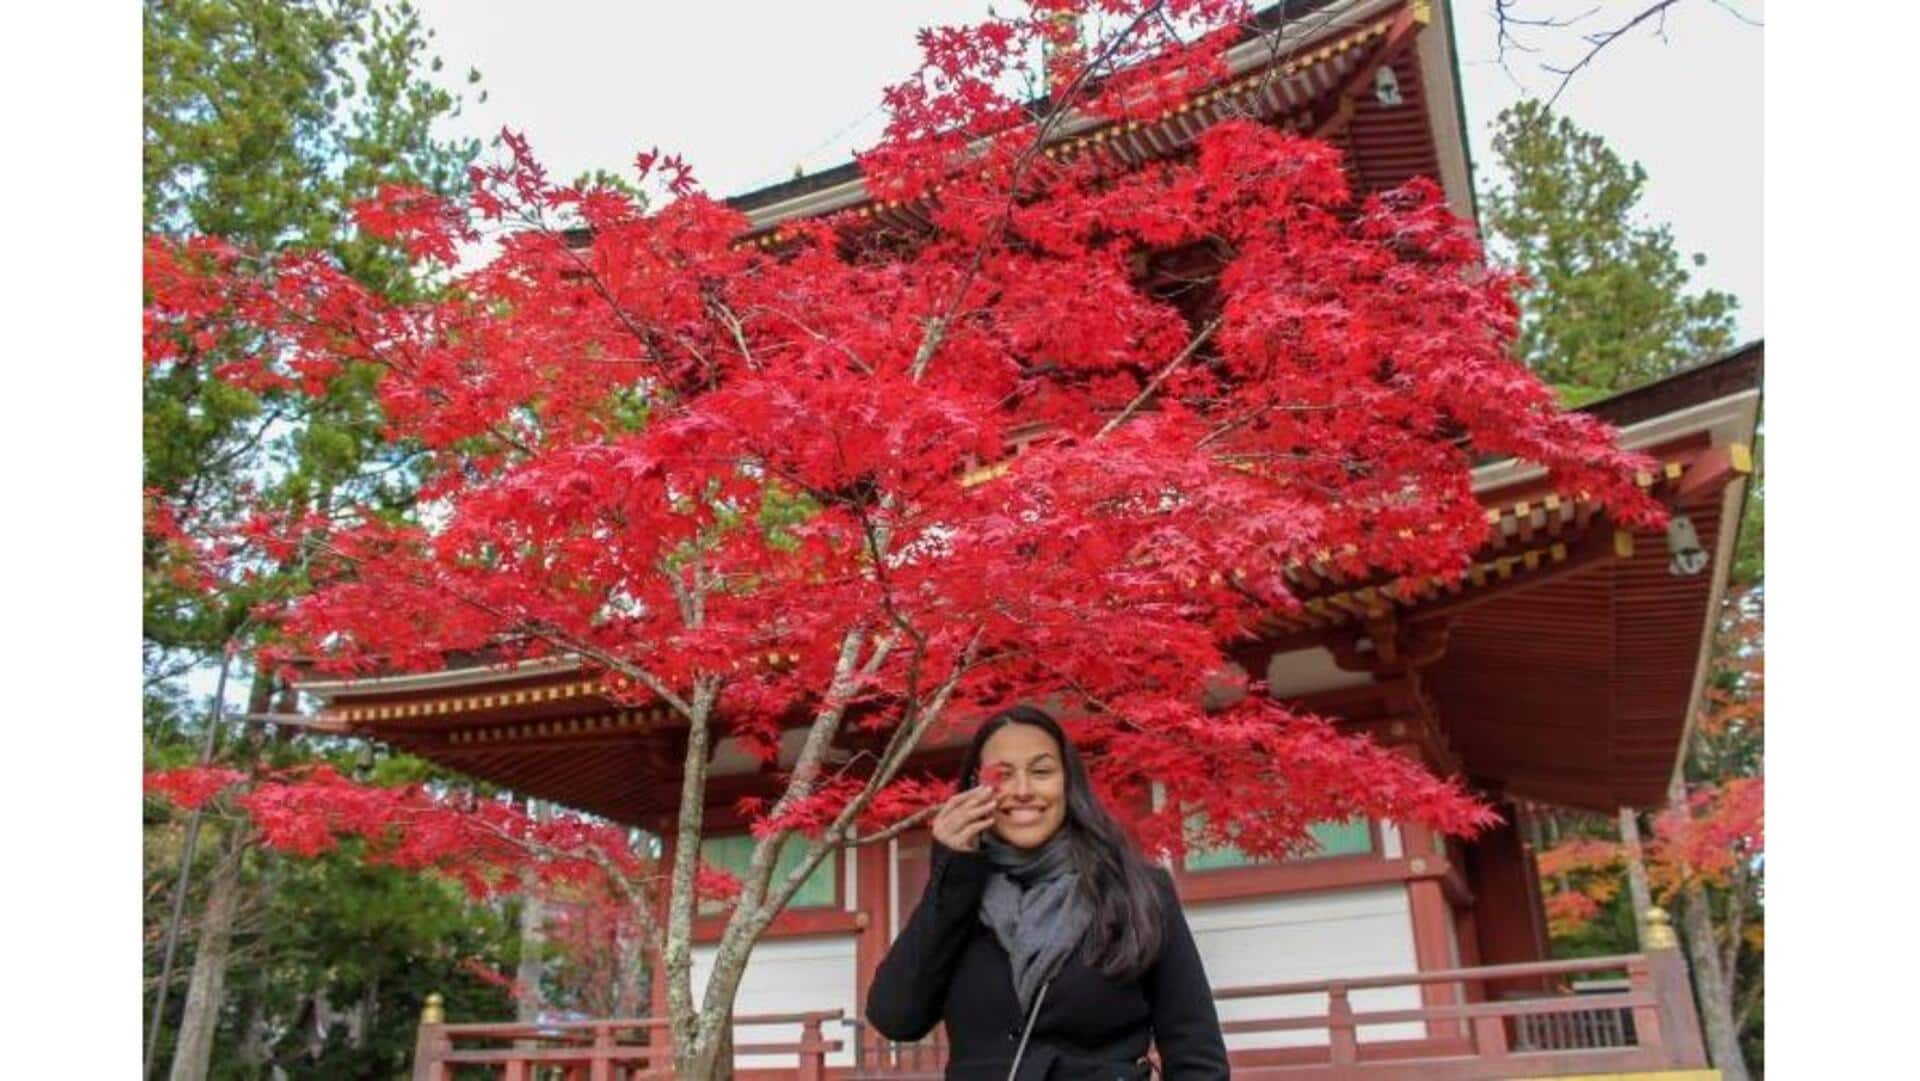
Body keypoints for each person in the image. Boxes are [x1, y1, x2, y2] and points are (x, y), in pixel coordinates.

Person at [866, 705, 1230, 1080]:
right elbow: (895, 1017)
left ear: (1067, 782)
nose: (1022, 791)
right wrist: (951, 873)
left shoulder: (1136, 890)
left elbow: (1196, 1052)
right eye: (1001, 775)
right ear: (976, 788)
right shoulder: (960, 895)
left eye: (1041, 772)